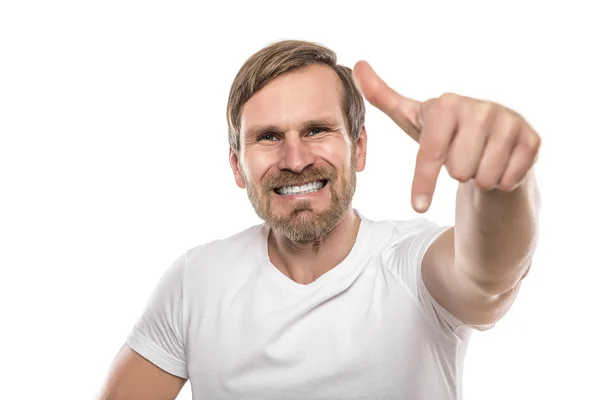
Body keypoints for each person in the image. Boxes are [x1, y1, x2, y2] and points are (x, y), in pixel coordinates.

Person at [98, 39, 541, 400]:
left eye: (316, 130)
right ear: (237, 166)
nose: (295, 159)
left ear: (359, 147)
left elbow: (490, 276)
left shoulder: (413, 267)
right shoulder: (197, 281)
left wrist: (500, 183)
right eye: (269, 137)